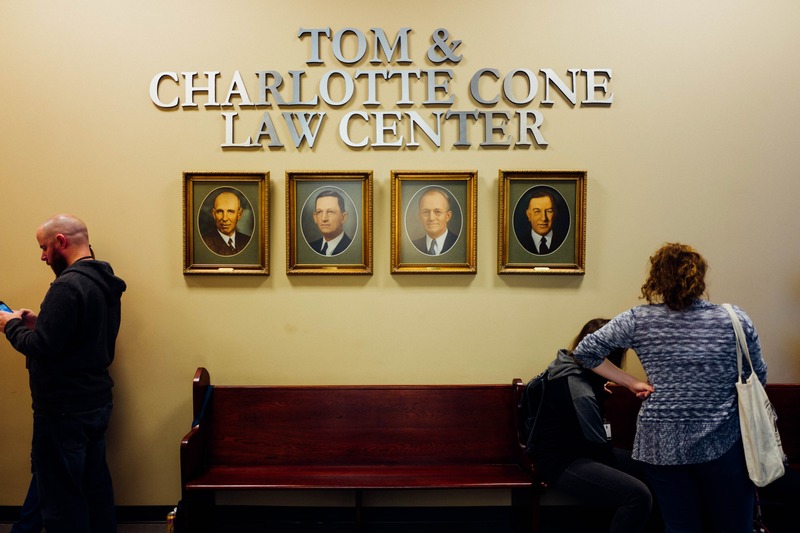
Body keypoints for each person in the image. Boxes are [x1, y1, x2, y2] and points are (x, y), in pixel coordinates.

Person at [572, 243, 765, 533]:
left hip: (661, 443)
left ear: (657, 279)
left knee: (680, 527)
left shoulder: (638, 319)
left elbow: (585, 352)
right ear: (699, 278)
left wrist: (631, 382)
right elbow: (757, 376)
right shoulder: (733, 319)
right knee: (734, 526)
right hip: (723, 440)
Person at [0, 214, 127, 533]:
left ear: (61, 242)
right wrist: (39, 322)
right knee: (95, 491)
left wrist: (10, 324)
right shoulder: (103, 280)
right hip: (95, 402)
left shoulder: (67, 285)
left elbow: (41, 348)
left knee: (62, 505)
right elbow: (78, 334)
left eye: (44, 248)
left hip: (62, 410)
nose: (42, 256)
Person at [531, 318, 654, 533]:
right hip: (562, 461)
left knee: (652, 467)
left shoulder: (565, 368)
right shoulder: (580, 391)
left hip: (574, 451)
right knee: (638, 495)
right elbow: (599, 446)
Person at [201, 190, 251, 256]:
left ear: (239, 214)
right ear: (214, 214)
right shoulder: (204, 244)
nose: (224, 218)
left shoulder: (247, 242)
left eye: (230, 212)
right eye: (220, 211)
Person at [517, 188, 566, 255]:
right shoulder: (518, 243)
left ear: (555, 214)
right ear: (528, 215)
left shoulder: (565, 242)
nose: (543, 218)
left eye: (549, 211)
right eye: (537, 211)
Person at [411, 187, 458, 256]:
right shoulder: (413, 246)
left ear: (448, 216)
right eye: (426, 212)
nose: (431, 218)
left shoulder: (459, 243)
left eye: (437, 211)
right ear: (420, 216)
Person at [308, 189, 352, 256]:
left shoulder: (352, 248)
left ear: (343, 218)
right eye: (319, 212)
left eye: (331, 212)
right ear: (315, 217)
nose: (324, 218)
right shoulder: (310, 247)